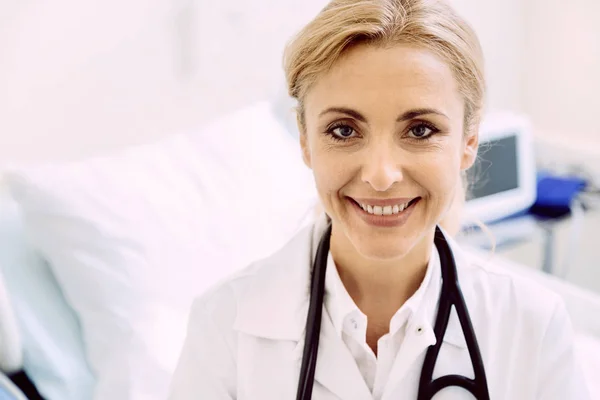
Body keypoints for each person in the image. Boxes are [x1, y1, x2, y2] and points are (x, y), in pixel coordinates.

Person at [168, 0, 591, 398]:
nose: (382, 175)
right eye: (344, 131)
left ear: (468, 141)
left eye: (420, 130)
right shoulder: (225, 326)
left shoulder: (533, 328)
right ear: (305, 141)